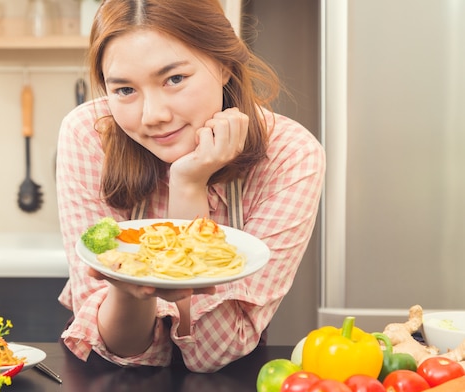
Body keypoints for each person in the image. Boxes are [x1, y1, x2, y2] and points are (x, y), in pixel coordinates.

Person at [55, 0, 325, 372]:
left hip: (229, 389)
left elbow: (213, 353)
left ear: (224, 64)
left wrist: (189, 184)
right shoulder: (90, 134)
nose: (153, 116)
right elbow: (120, 348)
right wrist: (128, 288)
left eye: (175, 79)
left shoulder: (289, 155)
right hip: (107, 383)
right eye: (124, 90)